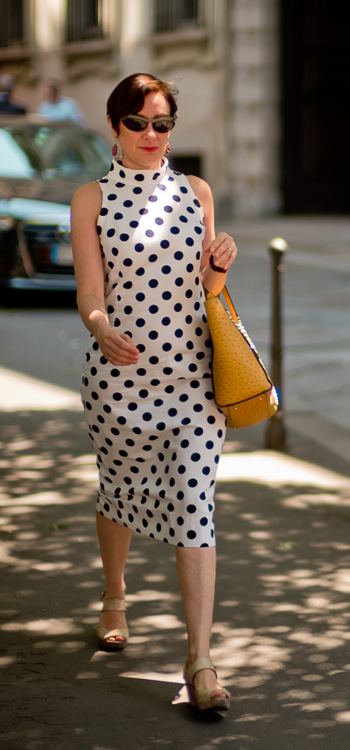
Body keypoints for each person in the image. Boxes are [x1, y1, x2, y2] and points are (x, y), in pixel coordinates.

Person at [70, 73, 237, 712]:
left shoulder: (196, 192)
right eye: (137, 123)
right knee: (121, 493)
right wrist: (100, 326)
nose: (150, 135)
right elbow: (90, 292)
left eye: (161, 124)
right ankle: (114, 594)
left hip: (194, 381)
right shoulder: (91, 199)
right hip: (120, 377)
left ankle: (199, 661)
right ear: (115, 127)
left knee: (196, 506)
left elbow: (209, 294)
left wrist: (218, 268)